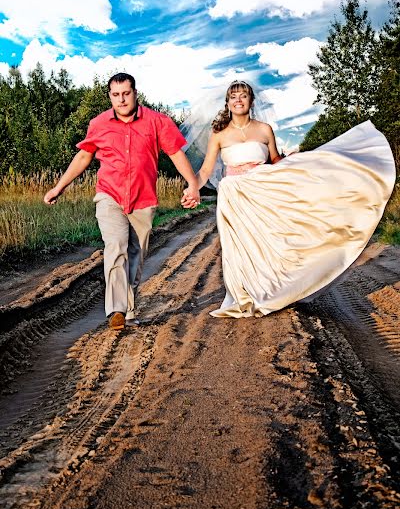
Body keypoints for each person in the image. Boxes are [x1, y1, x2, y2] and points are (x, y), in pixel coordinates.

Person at [181, 79, 395, 318]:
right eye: (233, 96)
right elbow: (206, 171)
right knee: (240, 248)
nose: (238, 100)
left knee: (269, 242)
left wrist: (297, 161)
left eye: (243, 95)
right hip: (235, 197)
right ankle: (246, 295)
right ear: (228, 103)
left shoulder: (264, 129)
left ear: (251, 101)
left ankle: (274, 290)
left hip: (264, 191)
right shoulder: (219, 134)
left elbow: (275, 163)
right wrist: (193, 188)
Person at [44, 72, 200, 330]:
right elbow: (84, 157)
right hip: (109, 194)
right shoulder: (98, 123)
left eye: (126, 93)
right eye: (116, 95)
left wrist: (192, 184)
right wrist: (59, 187)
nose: (121, 99)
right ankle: (116, 309)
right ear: (110, 96)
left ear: (135, 93)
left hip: (143, 198)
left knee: (135, 255)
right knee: (115, 246)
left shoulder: (157, 121)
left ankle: (128, 310)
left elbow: (175, 153)